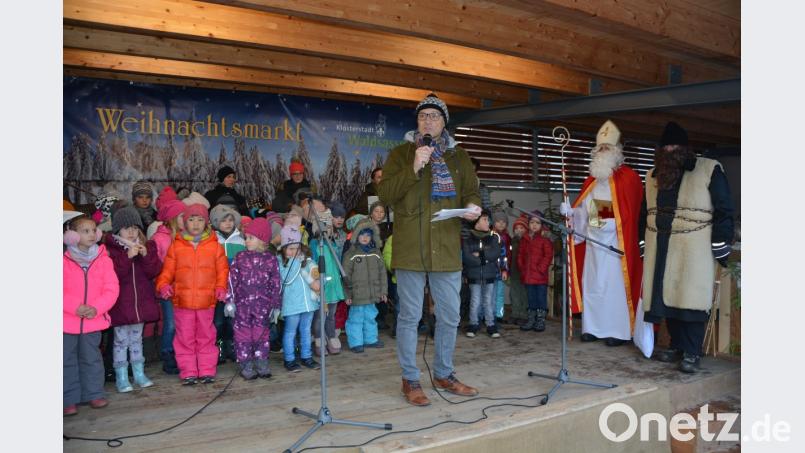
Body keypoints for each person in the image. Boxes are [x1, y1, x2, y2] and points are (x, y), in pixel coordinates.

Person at [378, 92, 482, 406]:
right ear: (417, 122)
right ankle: (410, 379)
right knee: (409, 317)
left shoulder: (459, 157)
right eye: (423, 116)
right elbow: (385, 193)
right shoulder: (400, 154)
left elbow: (472, 191)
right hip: (410, 248)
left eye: (434, 116)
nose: (428, 120)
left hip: (447, 247)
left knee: (449, 316)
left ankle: (444, 373)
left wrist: (473, 207)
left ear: (444, 124)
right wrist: (414, 166)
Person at [641, 121, 735, 373]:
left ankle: (692, 352)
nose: (670, 150)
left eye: (675, 145)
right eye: (666, 146)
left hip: (694, 246)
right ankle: (676, 346)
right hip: (659, 243)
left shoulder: (708, 169)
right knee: (665, 298)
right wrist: (643, 243)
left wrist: (720, 242)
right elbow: (644, 212)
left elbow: (724, 207)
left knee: (690, 297)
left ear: (685, 148)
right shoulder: (653, 175)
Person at [560, 120, 645, 348]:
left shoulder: (629, 178)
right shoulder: (593, 180)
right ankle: (592, 328)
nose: (603, 152)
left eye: (607, 148)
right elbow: (586, 209)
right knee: (593, 284)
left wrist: (611, 224)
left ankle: (618, 330)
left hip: (616, 244)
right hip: (593, 242)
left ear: (617, 151)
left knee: (613, 286)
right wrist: (572, 212)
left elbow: (632, 213)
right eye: (600, 148)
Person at [156, 204, 229, 385]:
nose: (195, 224)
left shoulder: (215, 247)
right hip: (182, 302)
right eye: (191, 219)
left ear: (206, 223)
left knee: (206, 336)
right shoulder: (176, 246)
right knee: (185, 338)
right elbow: (167, 271)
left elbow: (222, 271)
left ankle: (206, 370)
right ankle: (188, 371)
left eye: (200, 219)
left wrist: (221, 287)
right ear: (184, 222)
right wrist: (163, 284)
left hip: (207, 302)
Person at [63, 215, 119, 416]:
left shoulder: (104, 259)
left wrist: (96, 307)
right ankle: (68, 398)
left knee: (92, 358)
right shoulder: (62, 260)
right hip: (67, 320)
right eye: (85, 231)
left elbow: (111, 289)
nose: (91, 234)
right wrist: (74, 307)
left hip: (93, 319)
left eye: (94, 230)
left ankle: (94, 393)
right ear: (70, 235)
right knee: (65, 360)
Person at [105, 206, 162, 392]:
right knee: (121, 342)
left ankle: (139, 373)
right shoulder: (111, 250)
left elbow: (154, 271)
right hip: (122, 305)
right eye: (127, 228)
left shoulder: (146, 246)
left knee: (137, 340)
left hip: (140, 305)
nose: (131, 232)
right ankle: (122, 376)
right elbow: (112, 274)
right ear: (117, 230)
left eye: (135, 228)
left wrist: (146, 257)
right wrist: (127, 257)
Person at [224, 218, 282, 380]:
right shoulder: (240, 257)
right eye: (246, 237)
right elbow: (231, 280)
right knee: (242, 337)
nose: (246, 241)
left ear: (263, 240)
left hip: (263, 307)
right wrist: (230, 301)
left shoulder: (270, 260)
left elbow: (276, 283)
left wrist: (276, 305)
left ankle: (262, 363)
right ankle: (246, 365)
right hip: (242, 307)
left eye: (251, 238)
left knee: (261, 336)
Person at [149, 187, 186, 375]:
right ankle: (167, 353)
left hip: (184, 289)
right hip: (168, 289)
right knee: (171, 323)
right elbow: (157, 267)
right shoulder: (159, 239)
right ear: (172, 218)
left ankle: (180, 353)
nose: (185, 220)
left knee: (181, 323)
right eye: (181, 217)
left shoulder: (184, 238)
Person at [277, 226, 321, 372]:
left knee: (306, 330)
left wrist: (320, 283)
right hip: (292, 305)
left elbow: (317, 277)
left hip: (308, 304)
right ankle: (289, 359)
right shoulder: (282, 263)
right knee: (290, 332)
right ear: (283, 249)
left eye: (297, 248)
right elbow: (286, 279)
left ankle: (306, 356)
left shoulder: (308, 262)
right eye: (290, 249)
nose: (294, 252)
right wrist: (295, 262)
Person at [342, 218, 388, 353]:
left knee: (371, 317)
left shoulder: (376, 253)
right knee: (356, 319)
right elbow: (345, 276)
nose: (365, 238)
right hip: (356, 295)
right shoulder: (350, 254)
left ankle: (371, 339)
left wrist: (383, 292)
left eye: (368, 235)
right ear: (356, 236)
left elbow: (382, 274)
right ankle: (356, 342)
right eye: (362, 234)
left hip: (372, 294)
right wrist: (347, 294)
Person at [210, 204, 246, 364]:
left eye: (231, 220)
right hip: (218, 287)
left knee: (233, 320)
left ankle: (232, 346)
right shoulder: (212, 240)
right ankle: (218, 347)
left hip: (235, 288)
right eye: (224, 221)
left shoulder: (241, 240)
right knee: (217, 321)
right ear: (216, 223)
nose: (228, 224)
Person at [309, 208, 346, 356]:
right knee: (320, 316)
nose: (327, 230)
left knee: (331, 314)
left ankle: (331, 336)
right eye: (325, 226)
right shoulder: (313, 244)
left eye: (329, 227)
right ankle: (318, 338)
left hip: (333, 284)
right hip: (321, 286)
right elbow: (312, 263)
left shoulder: (333, 242)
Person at [462, 209, 503, 338]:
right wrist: (485, 258)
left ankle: (491, 325)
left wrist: (480, 255)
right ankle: (473, 324)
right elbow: (467, 257)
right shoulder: (468, 238)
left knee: (488, 301)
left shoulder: (493, 237)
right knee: (475, 301)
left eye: (488, 219)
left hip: (489, 275)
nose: (488, 222)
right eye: (484, 219)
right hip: (474, 276)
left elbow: (495, 254)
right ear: (476, 222)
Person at [517, 211, 554, 332]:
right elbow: (520, 255)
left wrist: (541, 269)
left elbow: (548, 256)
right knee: (531, 298)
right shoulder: (525, 238)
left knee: (541, 298)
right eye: (532, 222)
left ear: (542, 224)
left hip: (540, 276)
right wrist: (522, 268)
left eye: (537, 223)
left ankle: (540, 320)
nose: (534, 225)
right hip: (528, 275)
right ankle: (531, 319)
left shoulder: (544, 239)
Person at [508, 215, 529, 324]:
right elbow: (509, 255)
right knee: (514, 293)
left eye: (522, 228)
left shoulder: (528, 241)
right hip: (514, 271)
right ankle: (515, 313)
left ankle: (523, 314)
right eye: (516, 228)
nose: (519, 230)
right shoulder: (513, 241)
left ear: (526, 229)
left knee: (524, 293)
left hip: (525, 272)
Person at [491, 210, 511, 324]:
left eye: (504, 222)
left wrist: (505, 270)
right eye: (498, 221)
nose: (501, 224)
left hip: (502, 270)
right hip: (491, 271)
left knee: (499, 293)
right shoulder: (490, 236)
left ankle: (499, 315)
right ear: (494, 223)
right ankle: (488, 315)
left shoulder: (508, 237)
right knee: (489, 294)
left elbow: (507, 255)